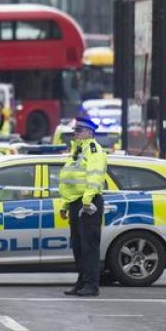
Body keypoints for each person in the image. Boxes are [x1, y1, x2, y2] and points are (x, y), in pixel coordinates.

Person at [58, 116, 107, 297]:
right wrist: (65, 204)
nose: (75, 134)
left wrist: (87, 200)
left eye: (79, 131)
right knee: (78, 247)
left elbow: (95, 177)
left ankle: (92, 285)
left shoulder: (94, 150)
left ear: (89, 132)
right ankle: (81, 282)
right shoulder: (77, 150)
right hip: (75, 202)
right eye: (75, 130)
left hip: (88, 202)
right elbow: (69, 182)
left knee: (89, 246)